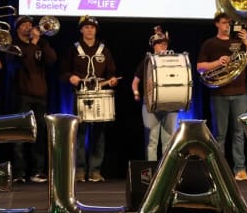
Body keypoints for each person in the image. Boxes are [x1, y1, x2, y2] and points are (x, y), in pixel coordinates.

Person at [196, 11, 247, 181]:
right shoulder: (210, 44)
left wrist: (245, 39)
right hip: (219, 93)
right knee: (220, 134)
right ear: (217, 24)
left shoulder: (239, 42)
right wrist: (218, 62)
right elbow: (200, 67)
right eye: (225, 22)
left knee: (239, 133)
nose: (228, 26)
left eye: (230, 23)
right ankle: (219, 169)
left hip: (240, 93)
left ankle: (240, 170)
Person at [61, 15, 119, 182]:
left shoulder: (104, 50)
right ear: (81, 30)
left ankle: (95, 170)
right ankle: (79, 171)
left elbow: (111, 72)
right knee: (80, 133)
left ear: (95, 30)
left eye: (92, 27)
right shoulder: (73, 49)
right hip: (81, 95)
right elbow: (63, 72)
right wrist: (70, 77)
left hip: (100, 95)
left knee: (99, 134)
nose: (89, 30)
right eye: (86, 27)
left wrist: (113, 80)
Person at [10, 16, 58, 184]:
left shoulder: (41, 44)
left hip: (40, 95)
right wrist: (32, 43)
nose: (29, 27)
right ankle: (19, 173)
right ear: (18, 29)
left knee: (40, 134)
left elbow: (52, 59)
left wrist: (40, 43)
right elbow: (25, 63)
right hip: (23, 95)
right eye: (25, 25)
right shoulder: (14, 45)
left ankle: (37, 171)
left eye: (30, 24)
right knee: (21, 134)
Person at [131, 25, 180, 161]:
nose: (163, 47)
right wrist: (136, 93)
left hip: (169, 105)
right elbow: (135, 82)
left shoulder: (173, 61)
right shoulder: (146, 62)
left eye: (165, 44)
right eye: (160, 44)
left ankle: (165, 171)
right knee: (152, 142)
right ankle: (152, 171)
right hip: (151, 105)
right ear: (154, 46)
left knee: (168, 141)